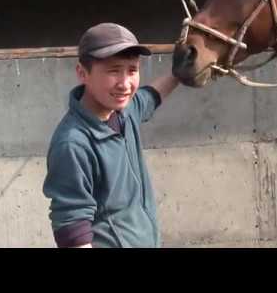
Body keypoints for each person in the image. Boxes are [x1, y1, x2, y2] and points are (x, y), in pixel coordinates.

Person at [43, 23, 179, 248]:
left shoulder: (125, 112)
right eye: (113, 70)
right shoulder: (73, 143)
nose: (125, 84)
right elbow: (72, 228)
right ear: (82, 73)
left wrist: (179, 73)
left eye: (132, 70)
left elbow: (150, 97)